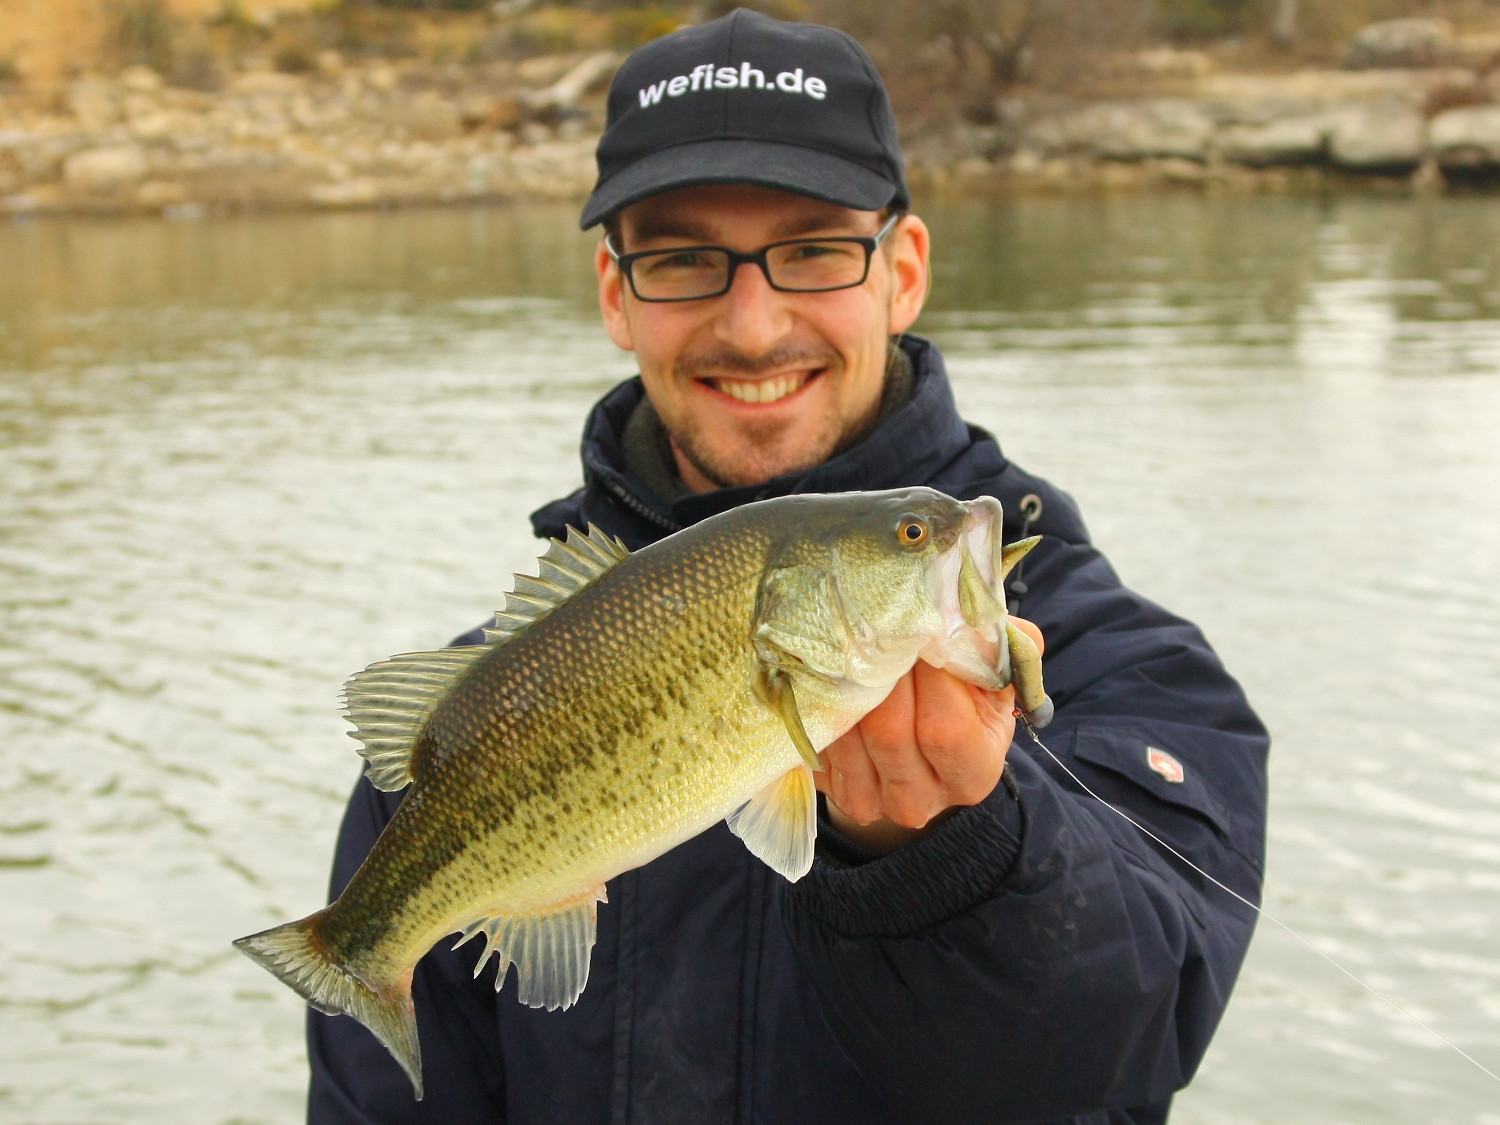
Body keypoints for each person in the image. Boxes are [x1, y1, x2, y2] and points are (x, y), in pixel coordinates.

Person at [307, 10, 1269, 1124]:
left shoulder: (1137, 674)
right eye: (684, 261)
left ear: (903, 271)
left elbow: (1119, 1052)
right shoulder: (490, 715)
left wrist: (960, 863)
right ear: (616, 295)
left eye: (813, 249)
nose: (754, 325)